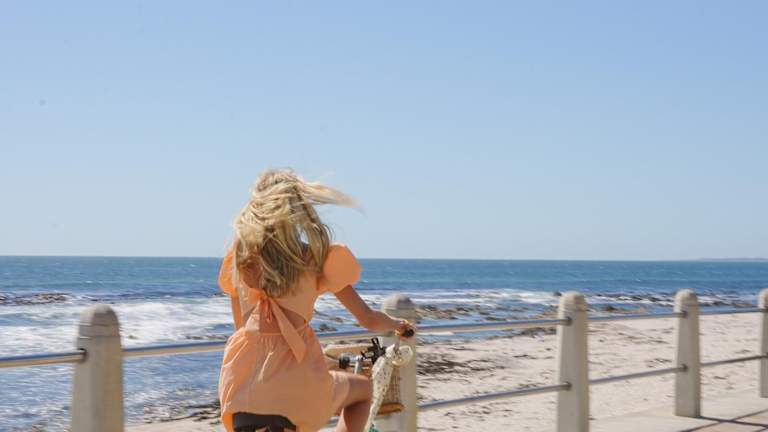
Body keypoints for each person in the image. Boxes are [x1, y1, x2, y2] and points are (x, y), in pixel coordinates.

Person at [218, 169, 414, 432]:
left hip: (241, 390)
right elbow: (368, 319)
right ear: (297, 209)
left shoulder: (240, 259)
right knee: (363, 391)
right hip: (296, 388)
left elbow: (243, 329)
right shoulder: (315, 258)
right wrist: (398, 325)